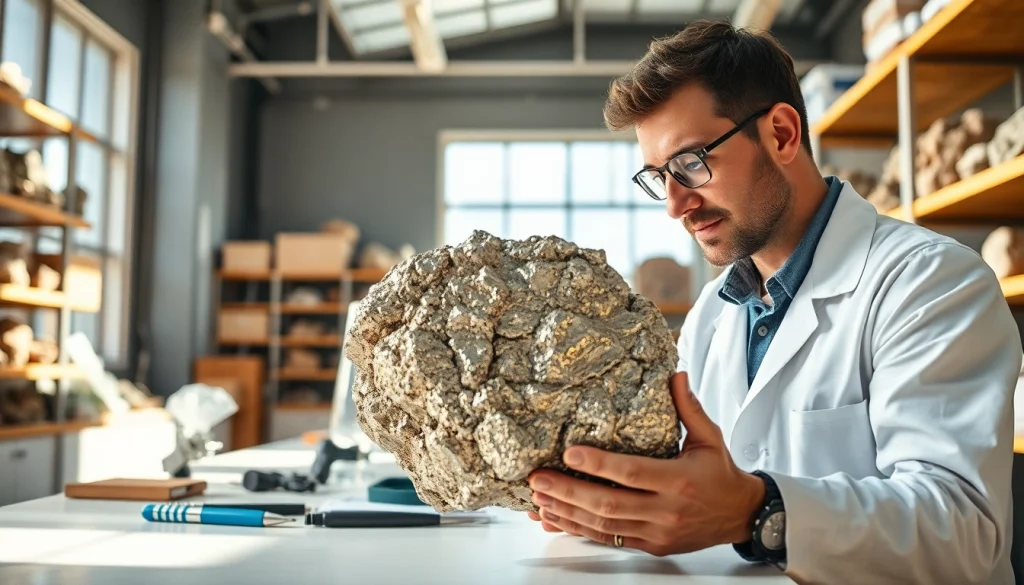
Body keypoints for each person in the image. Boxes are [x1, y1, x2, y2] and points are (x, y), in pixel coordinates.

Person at [525, 20, 1023, 585]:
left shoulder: (931, 282)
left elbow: (964, 535)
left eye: (691, 163)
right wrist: (610, 494)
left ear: (782, 134)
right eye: (659, 177)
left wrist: (756, 511)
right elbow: (692, 481)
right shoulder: (712, 316)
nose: (675, 205)